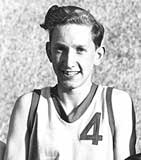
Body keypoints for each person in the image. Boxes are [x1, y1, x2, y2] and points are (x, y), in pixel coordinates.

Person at [4, 5, 136, 160]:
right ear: (49, 52)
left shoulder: (116, 103)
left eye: (80, 50)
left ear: (98, 55)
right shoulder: (29, 106)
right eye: (60, 49)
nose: (69, 62)